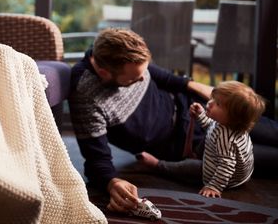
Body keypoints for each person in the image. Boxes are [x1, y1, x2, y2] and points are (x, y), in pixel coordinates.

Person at [68, 27, 278, 213]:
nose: (142, 79)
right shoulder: (85, 94)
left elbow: (168, 78)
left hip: (202, 110)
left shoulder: (122, 56)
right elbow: (96, 160)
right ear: (104, 73)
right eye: (134, 78)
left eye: (144, 71)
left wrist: (212, 94)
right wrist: (112, 182)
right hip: (193, 146)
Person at [137, 81, 266, 198]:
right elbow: (211, 126)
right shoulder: (226, 125)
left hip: (225, 177)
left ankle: (159, 165)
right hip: (234, 170)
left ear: (233, 117)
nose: (210, 103)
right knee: (206, 138)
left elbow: (226, 166)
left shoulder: (225, 138)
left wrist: (214, 186)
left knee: (186, 167)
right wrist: (200, 115)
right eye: (213, 98)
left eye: (218, 104)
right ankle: (196, 157)